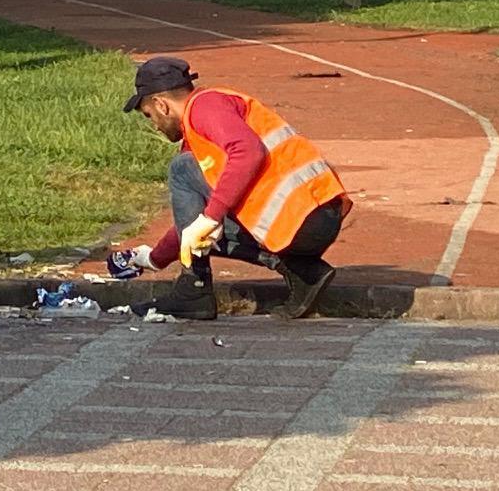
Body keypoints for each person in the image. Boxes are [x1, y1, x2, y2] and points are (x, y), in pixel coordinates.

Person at [111, 56, 350, 321]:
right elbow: (191, 222)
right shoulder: (204, 126)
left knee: (182, 170)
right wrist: (154, 258)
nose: (153, 124)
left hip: (299, 218)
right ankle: (304, 272)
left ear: (161, 105)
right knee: (203, 213)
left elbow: (247, 152)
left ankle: (195, 289)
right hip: (311, 218)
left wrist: (210, 218)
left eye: (149, 115)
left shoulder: (204, 106)